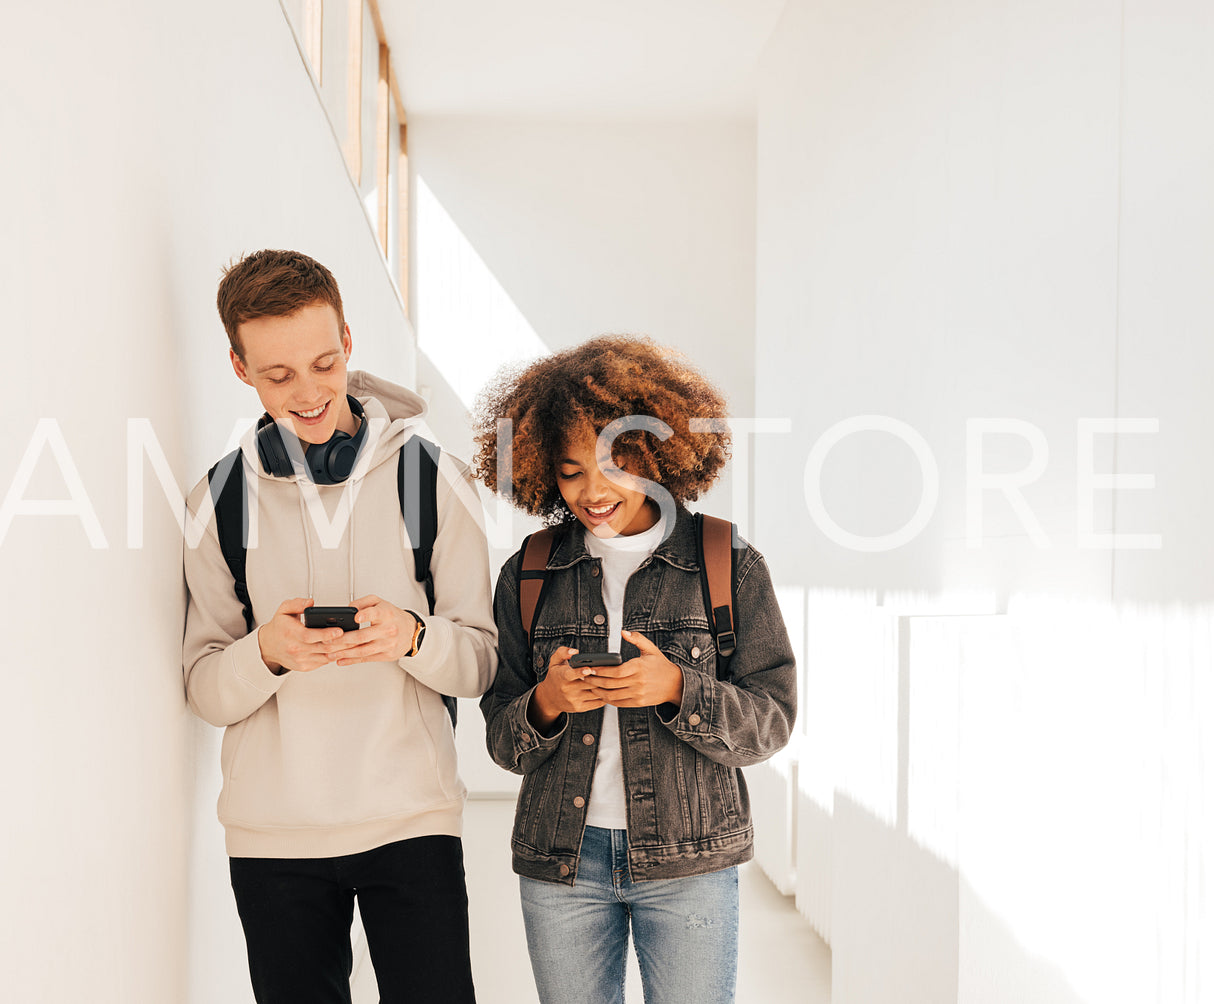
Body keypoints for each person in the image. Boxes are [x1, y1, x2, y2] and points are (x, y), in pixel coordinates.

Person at [182, 249, 496, 1004]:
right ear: (239, 368)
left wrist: (412, 639)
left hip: (411, 819)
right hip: (272, 835)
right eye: (277, 375)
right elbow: (204, 688)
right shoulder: (217, 501)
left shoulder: (433, 480)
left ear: (348, 341)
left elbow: (481, 663)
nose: (308, 392)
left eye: (323, 363)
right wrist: (265, 652)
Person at [473, 335, 798, 1004]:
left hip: (690, 863)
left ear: (655, 455)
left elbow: (771, 722)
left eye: (613, 465)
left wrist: (679, 688)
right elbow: (502, 740)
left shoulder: (725, 562)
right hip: (562, 863)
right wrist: (547, 703)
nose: (591, 491)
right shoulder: (530, 572)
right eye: (569, 472)